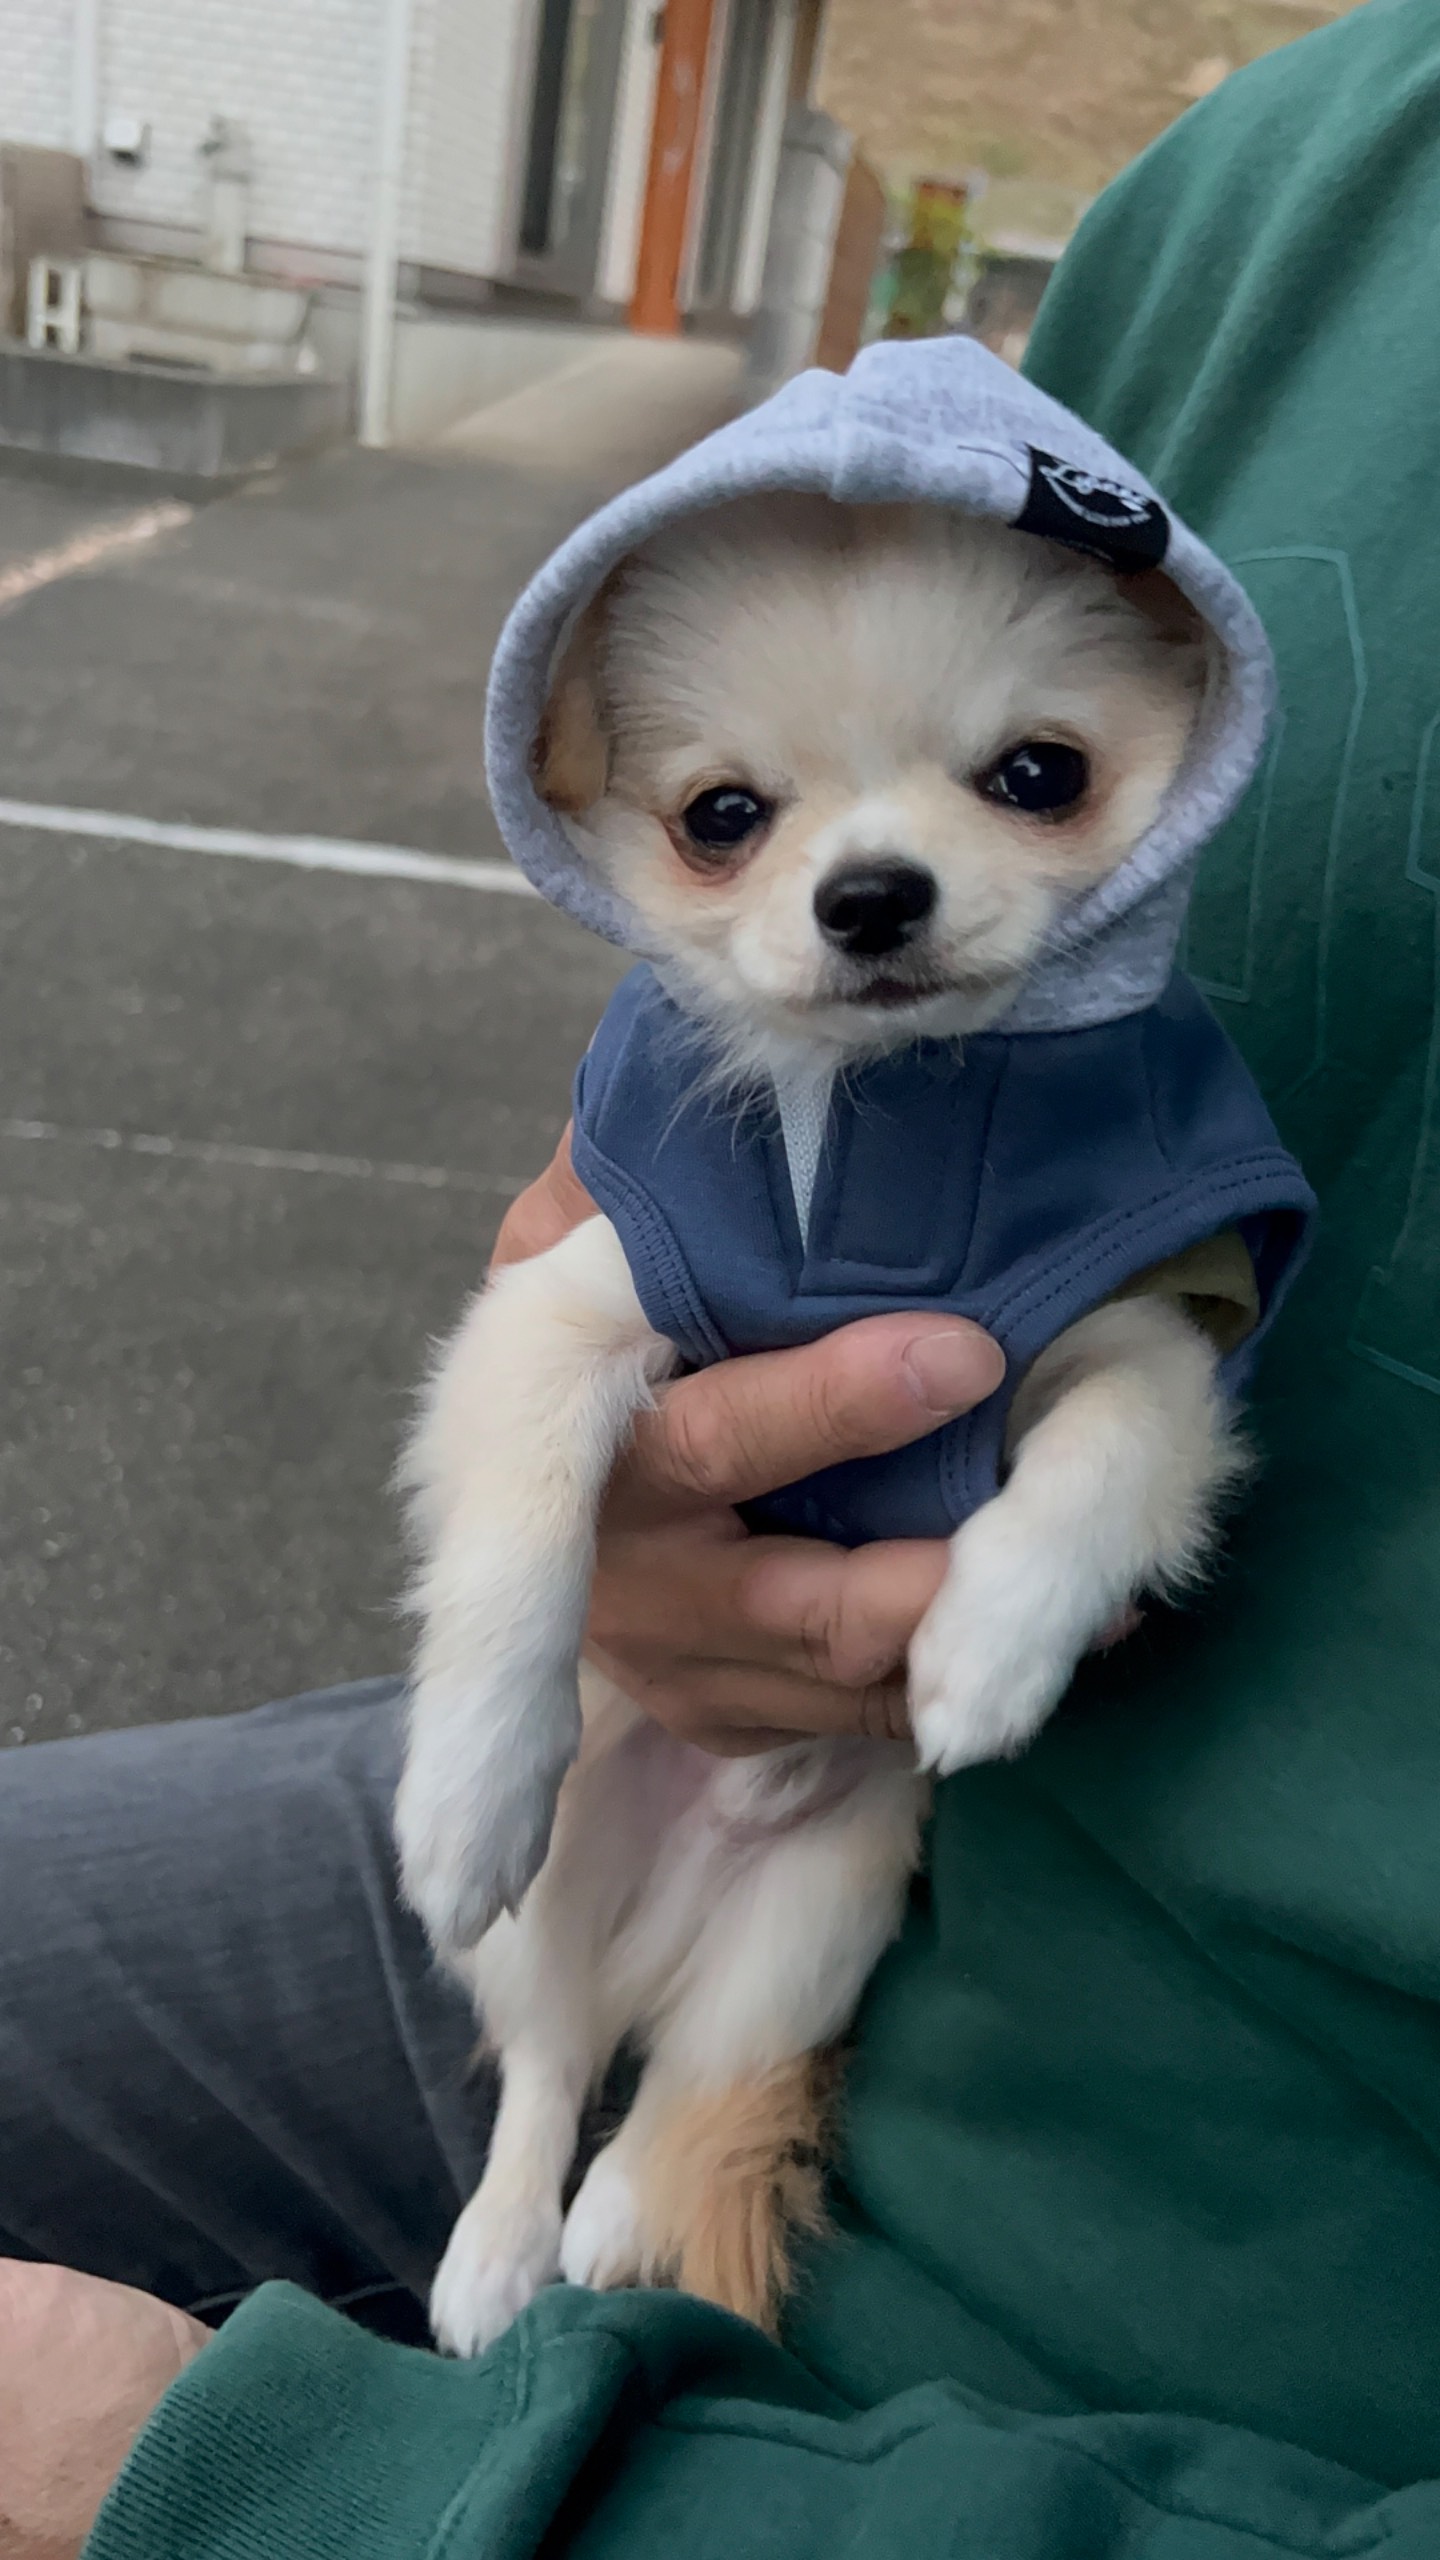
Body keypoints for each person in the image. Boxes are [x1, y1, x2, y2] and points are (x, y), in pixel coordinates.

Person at [5, 0, 1440, 2547]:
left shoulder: (1129, 1123)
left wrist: (1032, 1556)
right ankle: (538, 2123)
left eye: (1030, 779)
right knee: (509, 1865)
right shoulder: (1297, 182)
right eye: (731, 815)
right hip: (643, 1734)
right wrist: (561, 1618)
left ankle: (628, 2145)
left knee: (773, 1925)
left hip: (1006, 1988)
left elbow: (1152, 1387)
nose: (867, 877)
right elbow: (545, 1328)